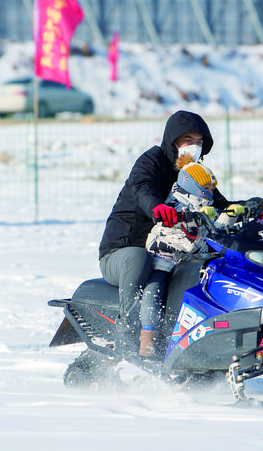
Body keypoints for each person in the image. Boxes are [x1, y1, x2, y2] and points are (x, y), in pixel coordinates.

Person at [98, 110, 233, 361]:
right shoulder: (152, 161)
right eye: (187, 140)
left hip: (170, 250)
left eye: (199, 142)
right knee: (140, 259)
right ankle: (129, 340)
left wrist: (245, 207)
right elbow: (142, 187)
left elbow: (217, 202)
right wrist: (157, 207)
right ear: (173, 140)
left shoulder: (194, 172)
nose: (194, 146)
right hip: (125, 250)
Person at [139, 154, 245, 358]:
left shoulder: (204, 204)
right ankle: (147, 336)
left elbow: (212, 233)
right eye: (208, 188)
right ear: (193, 185)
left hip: (188, 260)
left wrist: (229, 216)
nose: (212, 192)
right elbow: (191, 241)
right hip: (165, 256)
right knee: (155, 287)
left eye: (212, 188)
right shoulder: (175, 204)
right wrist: (203, 217)